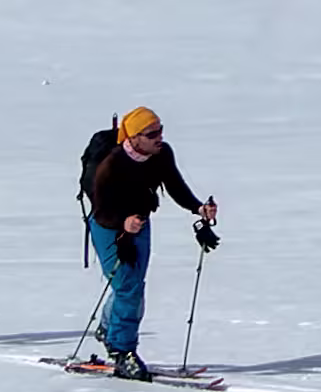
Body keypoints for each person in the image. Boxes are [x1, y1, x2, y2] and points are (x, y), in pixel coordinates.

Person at [72, 104, 218, 375]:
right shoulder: (111, 163)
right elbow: (100, 207)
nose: (159, 137)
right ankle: (122, 350)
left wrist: (198, 208)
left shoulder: (162, 154)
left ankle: (109, 328)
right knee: (128, 286)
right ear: (135, 137)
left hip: (139, 222)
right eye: (152, 133)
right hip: (106, 224)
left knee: (132, 284)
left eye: (160, 130)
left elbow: (174, 185)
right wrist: (122, 223)